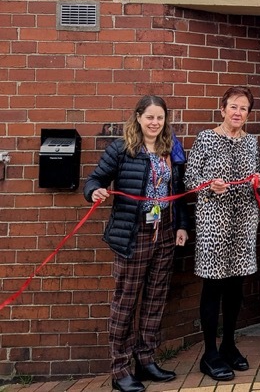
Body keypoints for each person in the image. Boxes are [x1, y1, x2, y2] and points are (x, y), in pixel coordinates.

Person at [84, 95, 189, 392]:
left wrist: (181, 225)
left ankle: (146, 359)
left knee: (155, 299)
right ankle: (120, 370)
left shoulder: (171, 149)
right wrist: (94, 192)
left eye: (160, 118)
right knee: (125, 303)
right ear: (139, 118)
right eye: (150, 117)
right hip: (134, 235)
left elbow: (178, 191)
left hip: (164, 233)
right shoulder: (122, 149)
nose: (155, 123)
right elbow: (94, 180)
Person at [184, 86, 260, 382]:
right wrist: (208, 184)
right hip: (213, 222)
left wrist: (258, 182)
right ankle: (209, 353)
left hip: (243, 220)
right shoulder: (206, 138)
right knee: (213, 286)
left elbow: (252, 177)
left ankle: (229, 344)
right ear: (222, 109)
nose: (237, 113)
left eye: (243, 109)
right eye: (233, 107)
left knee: (236, 286)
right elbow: (189, 178)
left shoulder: (251, 143)